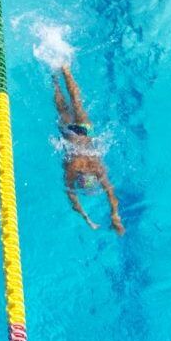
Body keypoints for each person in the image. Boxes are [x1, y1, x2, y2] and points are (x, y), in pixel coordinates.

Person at [51, 64, 124, 234]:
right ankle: (56, 80)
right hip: (70, 134)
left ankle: (64, 72)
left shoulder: (95, 167)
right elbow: (72, 197)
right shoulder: (76, 170)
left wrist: (114, 215)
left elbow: (110, 194)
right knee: (64, 108)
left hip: (85, 132)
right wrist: (88, 218)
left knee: (77, 104)